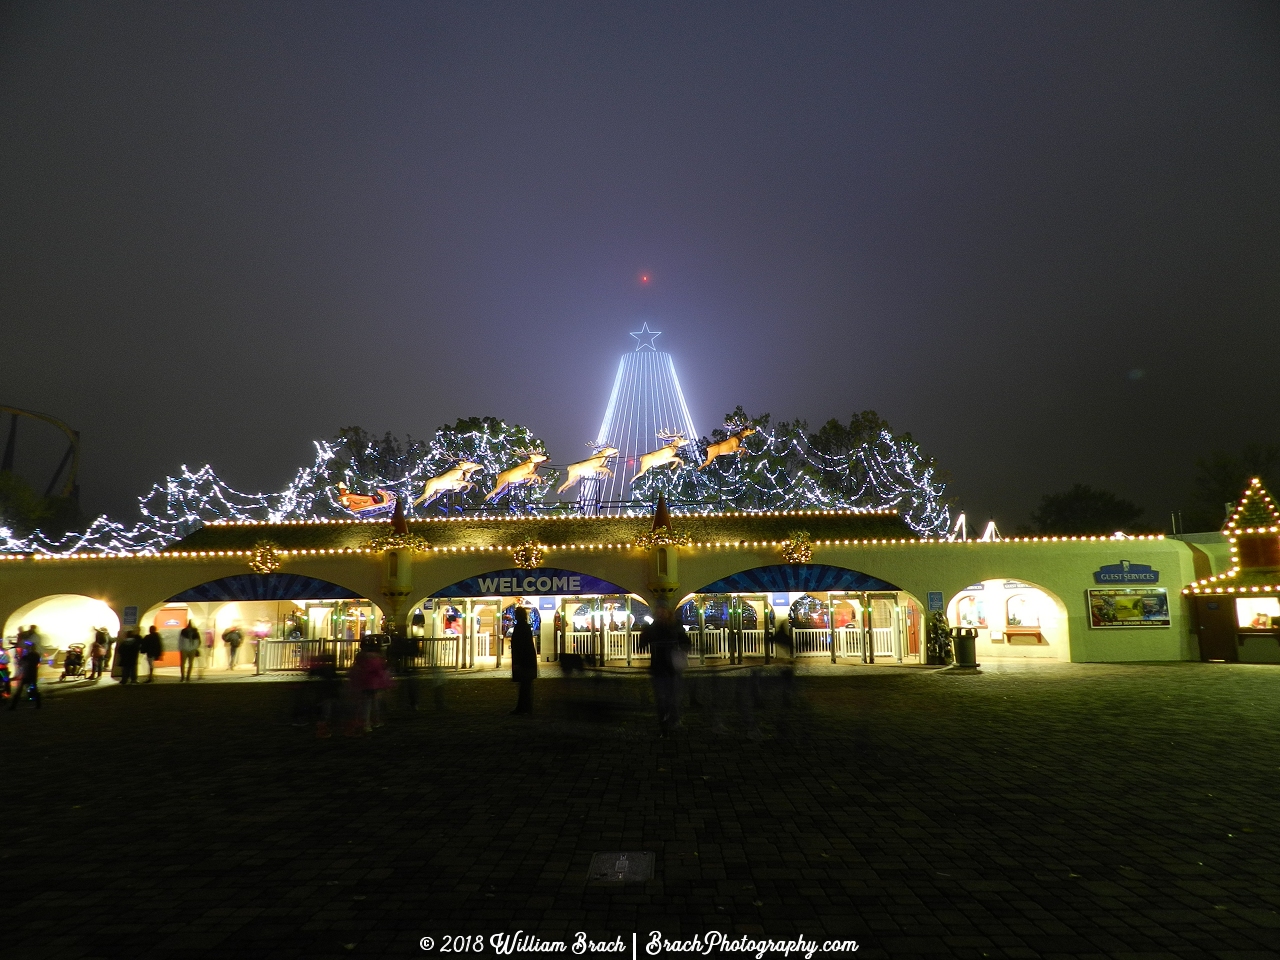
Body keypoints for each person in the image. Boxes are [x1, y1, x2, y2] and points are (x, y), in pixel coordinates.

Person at [643, 607, 689, 737]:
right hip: (659, 667)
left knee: (673, 697)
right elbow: (642, 644)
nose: (661, 613)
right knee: (661, 698)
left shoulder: (675, 626)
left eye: (663, 611)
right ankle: (664, 722)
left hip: (672, 668)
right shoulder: (653, 627)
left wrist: (683, 649)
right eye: (659, 611)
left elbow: (685, 641)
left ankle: (673, 720)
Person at [347, 639, 393, 734]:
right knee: (374, 703)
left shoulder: (360, 657)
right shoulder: (377, 657)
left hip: (363, 682)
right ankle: (373, 722)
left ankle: (365, 723)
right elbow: (379, 670)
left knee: (365, 704)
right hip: (374, 683)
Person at [508, 606, 538, 715]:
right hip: (528, 661)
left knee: (524, 686)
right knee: (526, 686)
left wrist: (517, 662)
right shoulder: (526, 627)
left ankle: (523, 708)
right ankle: (525, 707)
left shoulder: (520, 627)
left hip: (523, 661)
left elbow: (519, 646)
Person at [8, 642, 41, 710]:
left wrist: (18, 657)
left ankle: (13, 706)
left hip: (26, 675)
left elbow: (21, 662)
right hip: (32, 675)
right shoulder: (36, 655)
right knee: (34, 689)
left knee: (19, 691)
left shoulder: (28, 656)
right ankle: (38, 704)